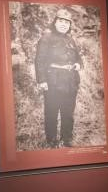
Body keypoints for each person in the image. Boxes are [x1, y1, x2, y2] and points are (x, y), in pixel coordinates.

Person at [35, 8, 82, 148]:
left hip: (70, 82)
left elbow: (78, 58)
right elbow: (39, 61)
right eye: (61, 21)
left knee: (68, 113)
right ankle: (51, 140)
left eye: (67, 22)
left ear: (70, 25)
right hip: (53, 81)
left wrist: (78, 65)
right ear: (55, 22)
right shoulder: (46, 38)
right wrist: (42, 80)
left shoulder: (71, 40)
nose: (63, 24)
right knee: (51, 112)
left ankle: (67, 138)